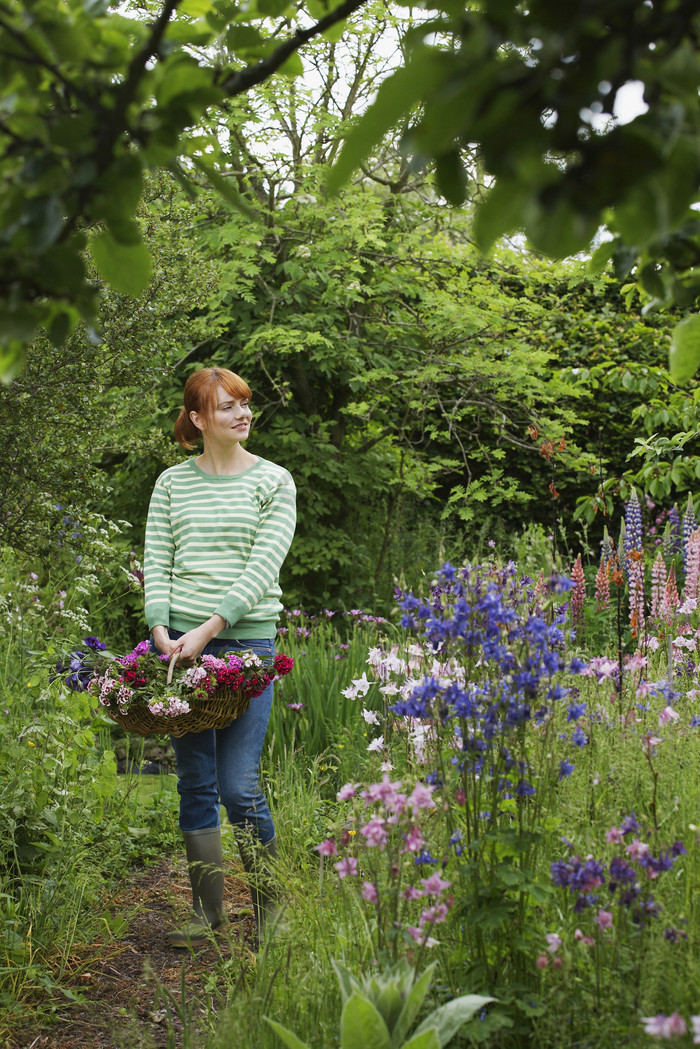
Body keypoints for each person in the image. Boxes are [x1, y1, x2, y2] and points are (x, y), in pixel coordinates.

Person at [143, 366, 296, 948]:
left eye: (244, 404)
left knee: (239, 787)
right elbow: (157, 559)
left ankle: (269, 909)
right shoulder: (171, 484)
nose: (241, 414)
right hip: (181, 647)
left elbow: (263, 567)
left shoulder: (275, 481)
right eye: (227, 406)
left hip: (246, 647)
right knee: (196, 782)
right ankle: (208, 913)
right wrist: (161, 627)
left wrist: (211, 628)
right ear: (199, 418)